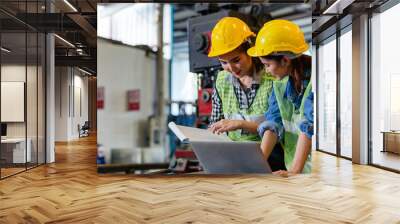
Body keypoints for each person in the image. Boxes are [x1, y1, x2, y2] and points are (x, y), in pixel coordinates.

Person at [207, 17, 286, 171]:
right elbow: (215, 123)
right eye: (223, 62)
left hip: (271, 155)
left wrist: (241, 124)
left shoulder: (271, 78)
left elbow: (281, 128)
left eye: (236, 60)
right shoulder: (222, 80)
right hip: (233, 155)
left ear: (250, 50)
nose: (231, 68)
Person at [247, 19, 314, 176]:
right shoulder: (279, 86)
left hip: (313, 174)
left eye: (267, 65)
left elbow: (309, 127)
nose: (266, 71)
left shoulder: (314, 82)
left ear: (285, 60)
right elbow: (272, 124)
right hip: (293, 170)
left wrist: (295, 171)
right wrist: (258, 164)